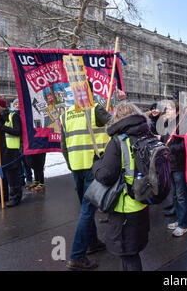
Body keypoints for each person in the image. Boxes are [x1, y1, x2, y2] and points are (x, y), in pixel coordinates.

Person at [92, 102, 150, 271]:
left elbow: (106, 176)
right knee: (132, 252)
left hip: (124, 207)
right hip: (142, 201)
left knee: (128, 255)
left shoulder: (118, 141)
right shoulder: (147, 135)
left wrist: (96, 164)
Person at [61, 95, 112, 270]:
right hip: (93, 165)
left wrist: (71, 164)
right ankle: (77, 256)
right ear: (88, 92)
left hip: (77, 166)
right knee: (87, 211)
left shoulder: (66, 112)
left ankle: (92, 242)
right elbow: (114, 125)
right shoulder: (95, 108)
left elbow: (63, 145)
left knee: (86, 209)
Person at [157, 100, 187, 237]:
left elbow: (185, 145)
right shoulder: (166, 123)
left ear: (177, 112)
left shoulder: (182, 124)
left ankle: (184, 224)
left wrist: (168, 148)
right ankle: (179, 219)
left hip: (179, 164)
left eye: (170, 109)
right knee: (175, 194)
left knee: (181, 196)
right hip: (170, 163)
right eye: (166, 109)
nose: (166, 111)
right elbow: (166, 138)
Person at [0, 98, 23, 207]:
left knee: (12, 176)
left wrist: (2, 127)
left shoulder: (12, 116)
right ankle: (2, 195)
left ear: (3, 106)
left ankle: (15, 197)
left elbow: (17, 131)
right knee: (0, 176)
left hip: (9, 151)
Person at [10, 98, 33, 188]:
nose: (17, 105)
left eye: (19, 104)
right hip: (15, 142)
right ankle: (21, 179)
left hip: (24, 142)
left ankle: (29, 179)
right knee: (18, 163)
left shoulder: (25, 115)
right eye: (16, 104)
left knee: (26, 162)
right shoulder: (11, 115)